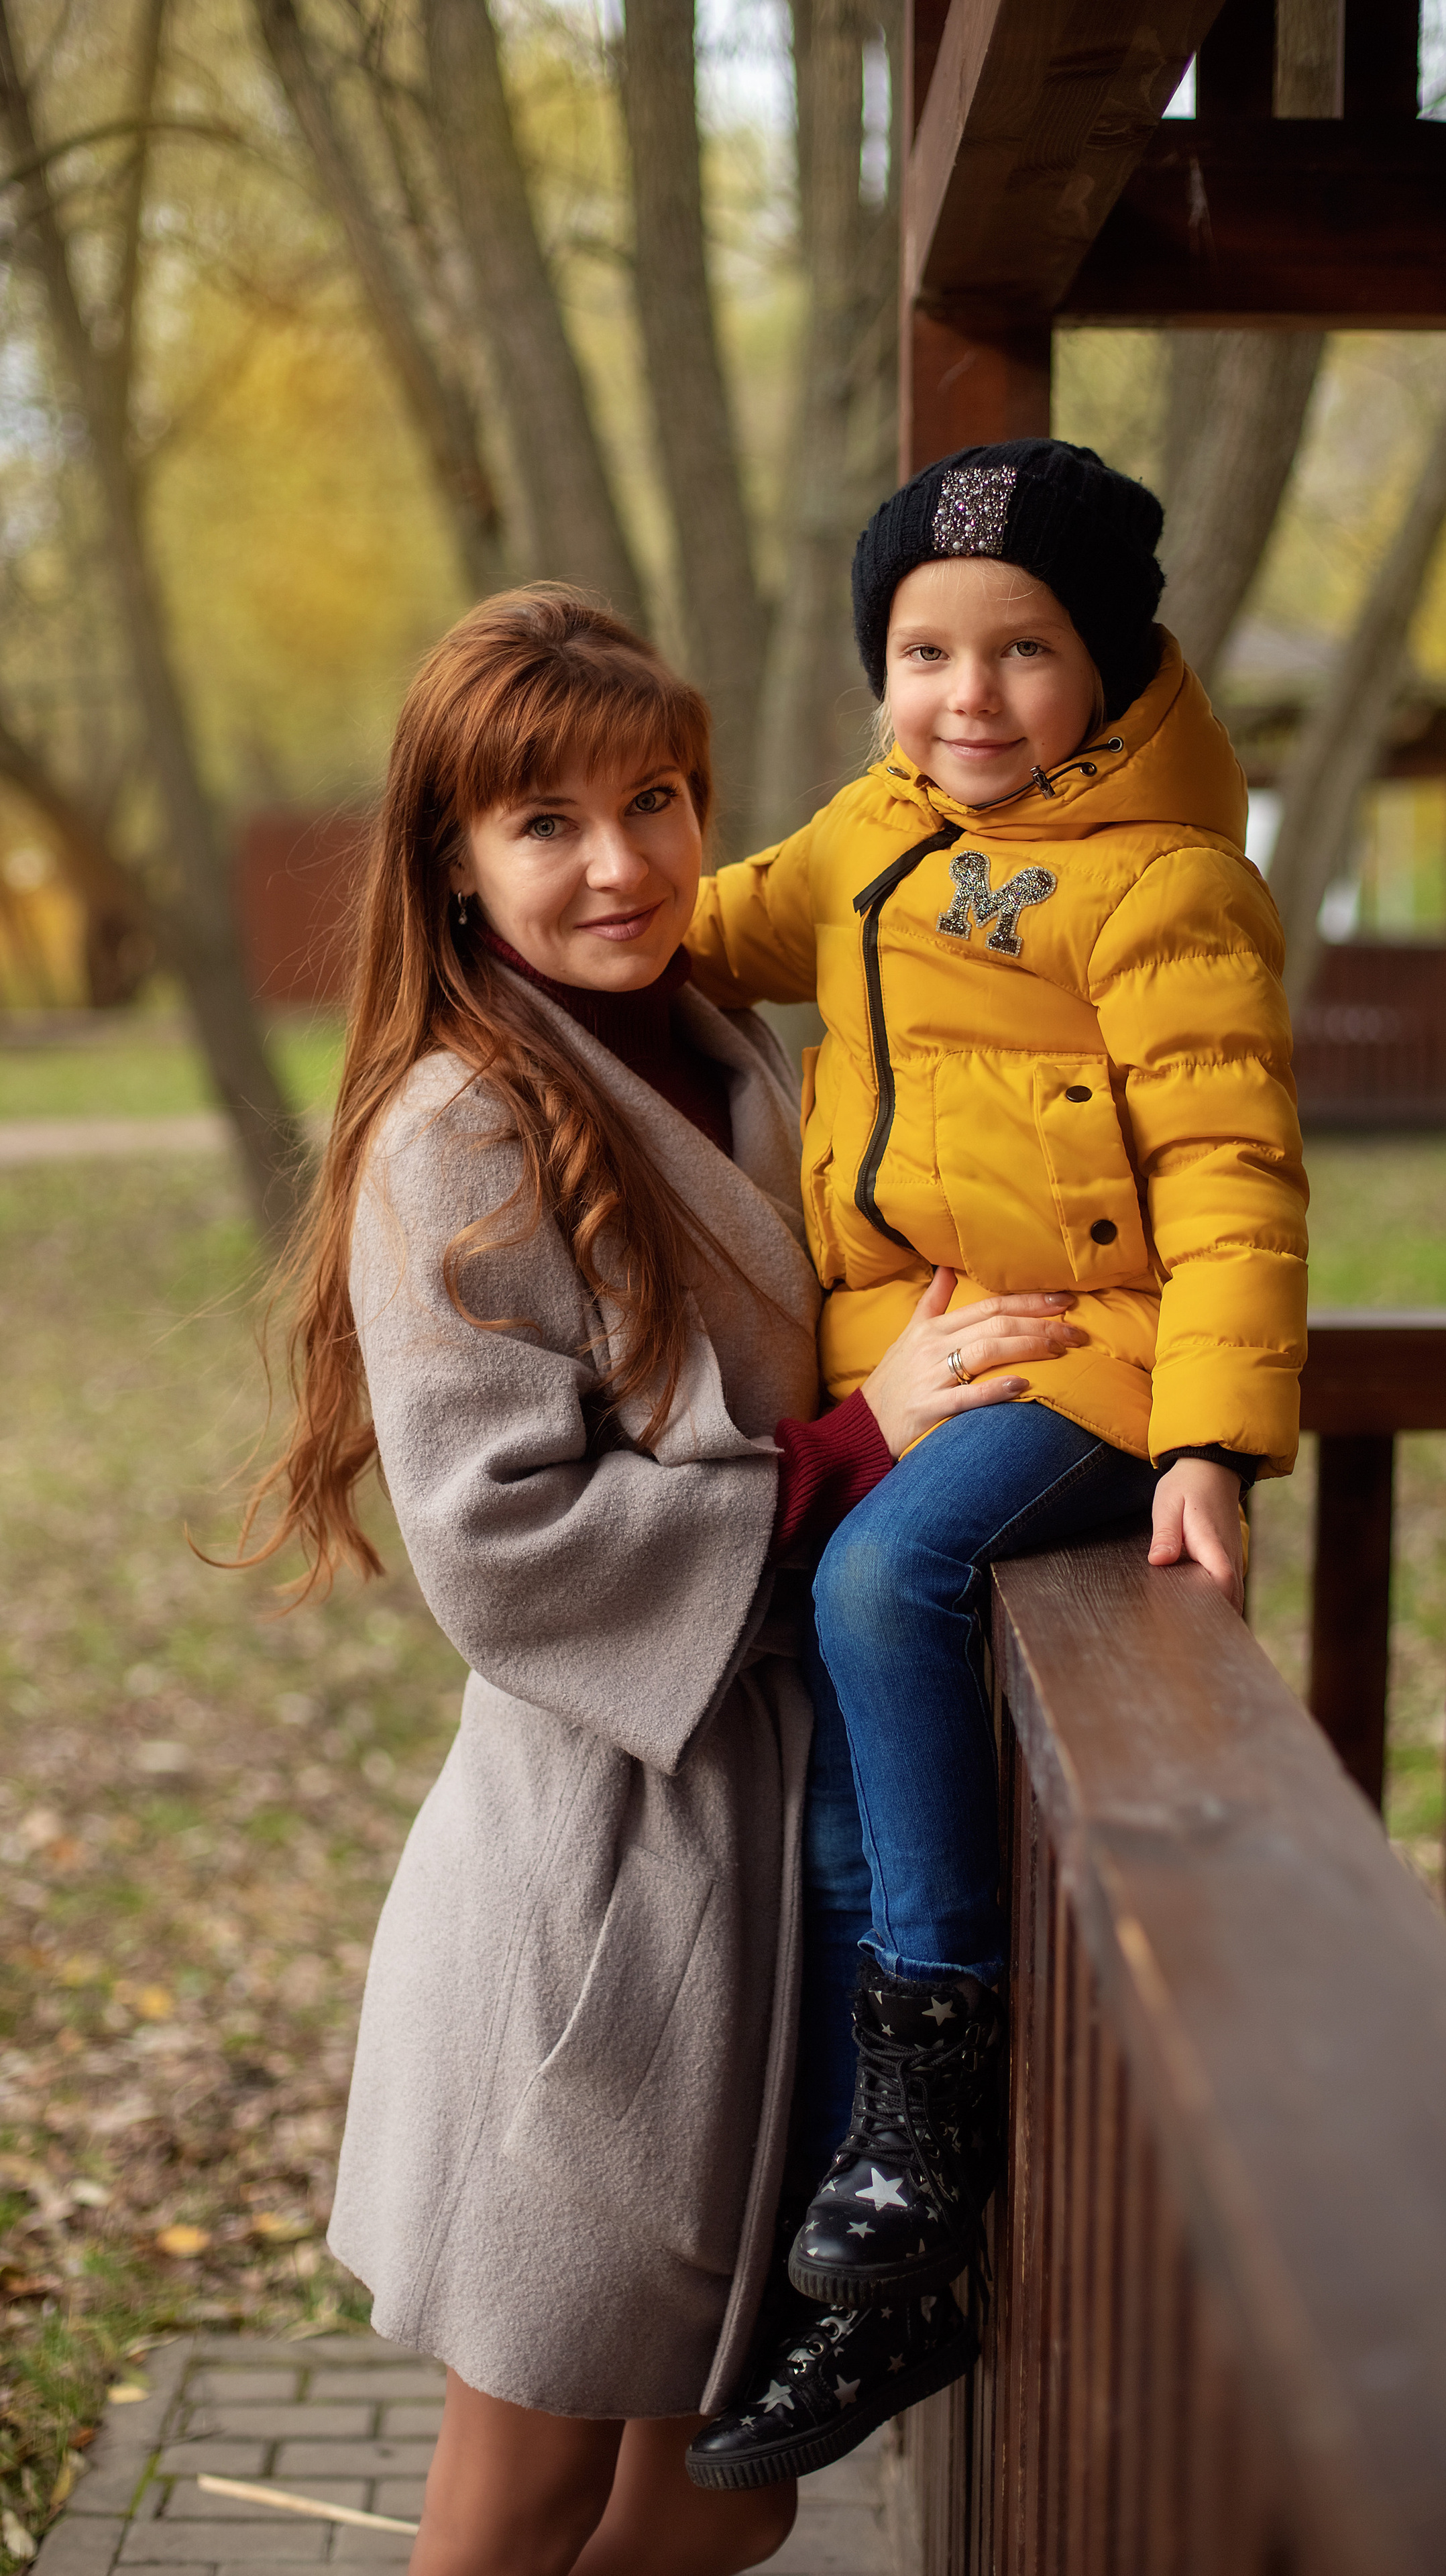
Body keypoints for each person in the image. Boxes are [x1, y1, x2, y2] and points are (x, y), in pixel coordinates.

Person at [235, 584, 1077, 2574]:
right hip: (595, 1886)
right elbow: (502, 1537)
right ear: (453, 860)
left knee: (728, 2498)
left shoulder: (725, 1040)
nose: (622, 864)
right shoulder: (460, 1125)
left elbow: (791, 1325)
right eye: (547, 824)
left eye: (660, 800)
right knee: (530, 2484)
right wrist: (868, 1447)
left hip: (758, 1854)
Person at [680, 440, 1310, 2487]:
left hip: (1092, 1359)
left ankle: (936, 2113)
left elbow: (1230, 1173)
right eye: (924, 649)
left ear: (1112, 670)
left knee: (881, 1586)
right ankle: (889, 2247)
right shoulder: (868, 836)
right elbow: (702, 921)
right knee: (850, 1788)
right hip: (933, 1360)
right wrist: (515, 901)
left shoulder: (1163, 884)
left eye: (1023, 649)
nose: (966, 694)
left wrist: (1212, 1435)